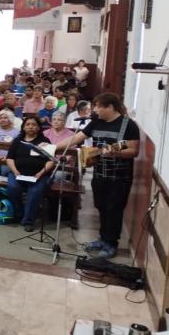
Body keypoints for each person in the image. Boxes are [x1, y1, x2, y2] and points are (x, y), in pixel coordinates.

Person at [54, 93, 140, 259]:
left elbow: (133, 151)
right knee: (101, 206)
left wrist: (115, 152)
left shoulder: (128, 125)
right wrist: (54, 147)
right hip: (99, 174)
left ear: (110, 107)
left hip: (119, 177)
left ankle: (111, 244)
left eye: (98, 107)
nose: (95, 110)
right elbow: (76, 138)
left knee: (114, 209)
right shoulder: (96, 122)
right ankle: (103, 239)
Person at [5, 116, 55, 232]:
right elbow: (9, 158)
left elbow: (51, 161)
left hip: (39, 175)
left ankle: (28, 221)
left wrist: (41, 172)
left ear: (38, 128)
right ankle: (19, 213)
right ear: (23, 127)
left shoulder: (45, 141)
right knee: (12, 187)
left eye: (34, 124)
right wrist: (15, 171)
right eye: (28, 124)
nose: (31, 127)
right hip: (19, 173)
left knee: (35, 191)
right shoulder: (17, 141)